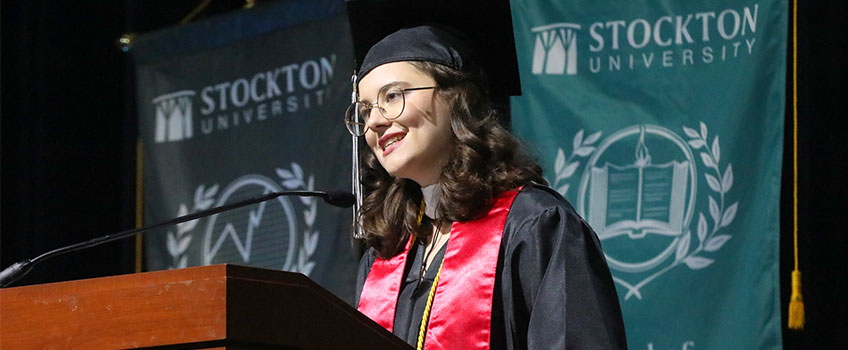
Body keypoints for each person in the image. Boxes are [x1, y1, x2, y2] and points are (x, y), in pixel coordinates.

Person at [344, 13, 626, 350]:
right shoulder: (386, 253)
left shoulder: (535, 225)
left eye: (392, 96)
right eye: (364, 111)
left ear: (457, 97)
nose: (374, 121)